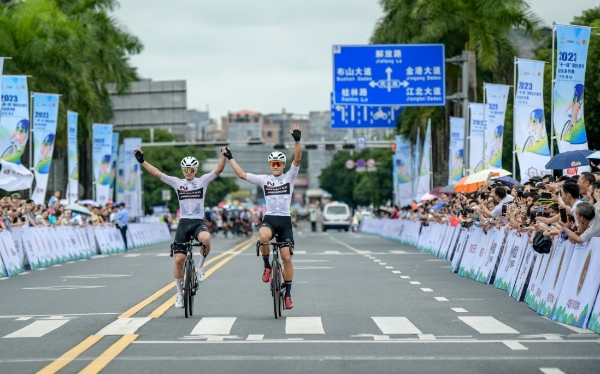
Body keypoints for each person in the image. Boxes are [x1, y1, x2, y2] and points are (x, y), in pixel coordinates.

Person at [133, 148, 226, 309]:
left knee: (206, 239)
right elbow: (157, 173)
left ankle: (201, 267)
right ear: (182, 170)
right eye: (186, 170)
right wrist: (142, 161)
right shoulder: (177, 182)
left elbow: (218, 170)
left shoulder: (202, 181)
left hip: (197, 222)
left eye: (191, 170)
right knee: (178, 260)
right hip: (183, 223)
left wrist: (225, 156)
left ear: (196, 170)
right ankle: (179, 295)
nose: (188, 172)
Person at [222, 124, 302, 309]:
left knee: (287, 258)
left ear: (282, 166)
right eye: (273, 164)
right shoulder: (264, 179)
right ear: (270, 165)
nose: (275, 166)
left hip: (285, 221)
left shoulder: (289, 177)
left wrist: (297, 140)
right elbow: (241, 174)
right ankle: (267, 266)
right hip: (270, 219)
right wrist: (230, 158)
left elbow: (297, 158)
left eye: (279, 164)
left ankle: (288, 295)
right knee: (263, 237)